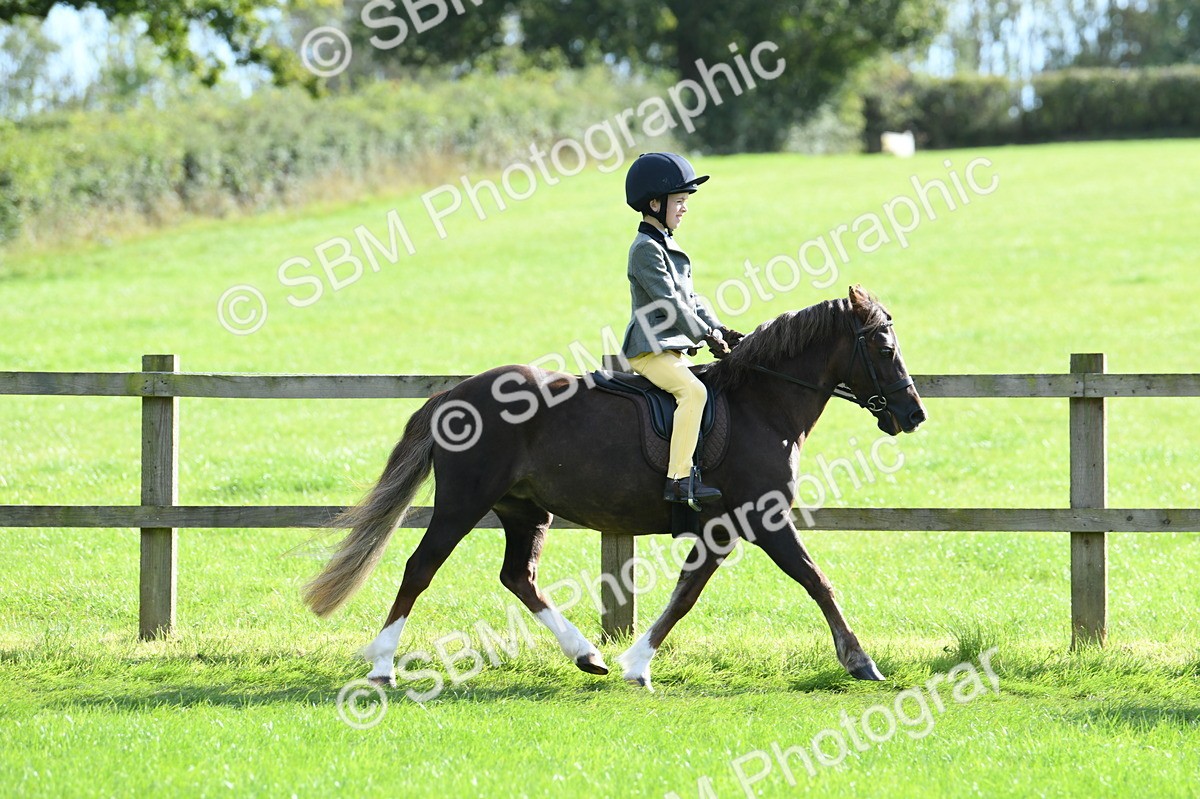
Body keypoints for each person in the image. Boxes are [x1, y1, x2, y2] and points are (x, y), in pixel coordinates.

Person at [619, 152, 743, 505]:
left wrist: (721, 328)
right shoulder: (645, 250)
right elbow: (670, 304)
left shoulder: (666, 243)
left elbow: (692, 299)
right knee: (693, 393)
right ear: (654, 204)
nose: (685, 208)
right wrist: (704, 335)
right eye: (679, 201)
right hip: (650, 349)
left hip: (672, 348)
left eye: (686, 201)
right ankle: (678, 479)